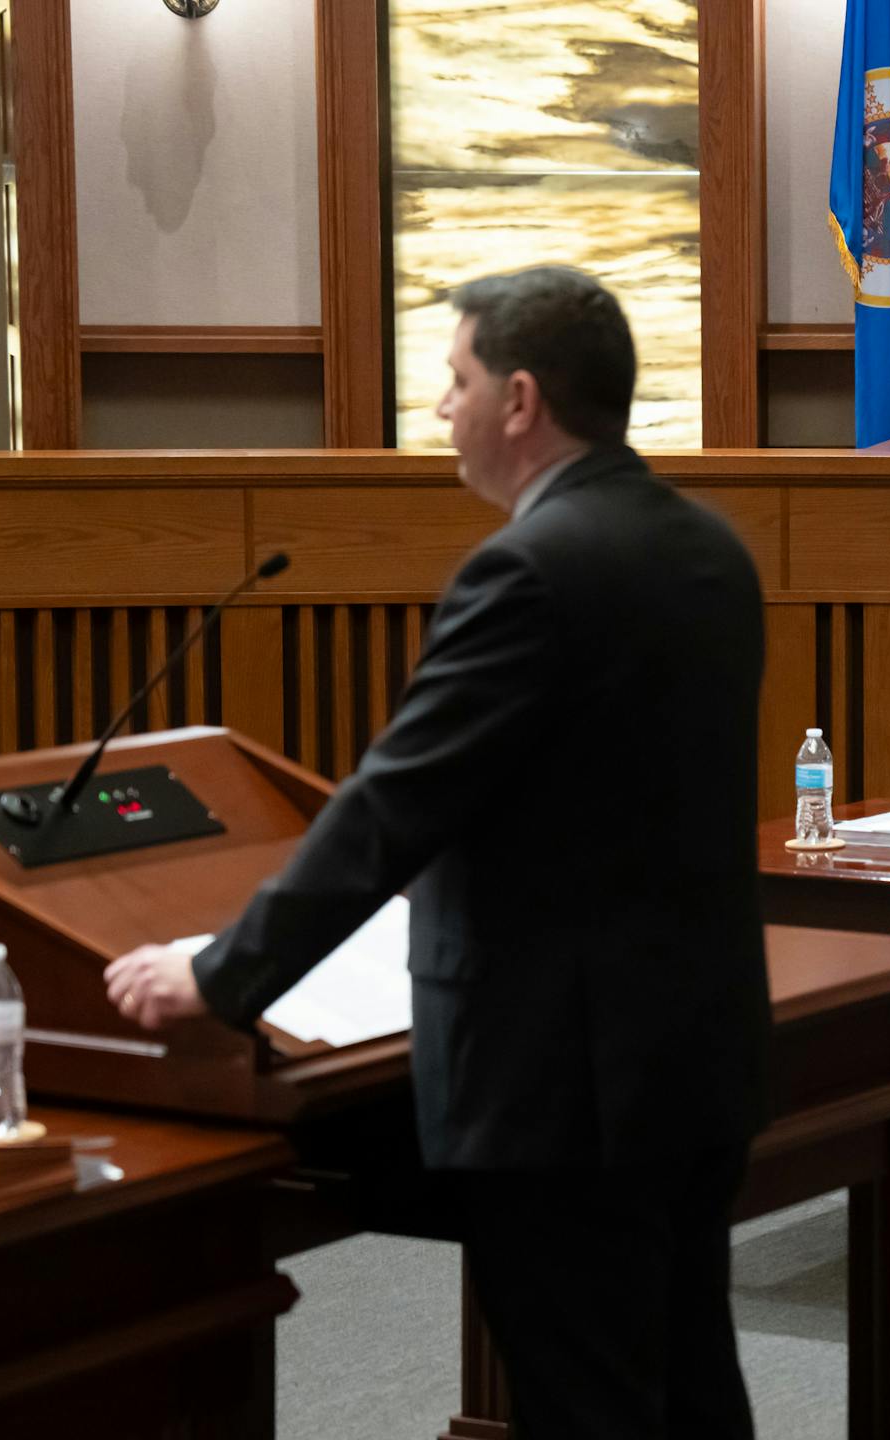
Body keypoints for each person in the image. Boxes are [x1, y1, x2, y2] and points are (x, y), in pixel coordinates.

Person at [101, 267, 771, 1438]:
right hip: (692, 1053)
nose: (439, 410)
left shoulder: (529, 569)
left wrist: (218, 978)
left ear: (519, 400)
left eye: (453, 382)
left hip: (562, 1084)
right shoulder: (706, 549)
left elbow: (392, 808)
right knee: (689, 1395)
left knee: (593, 1406)